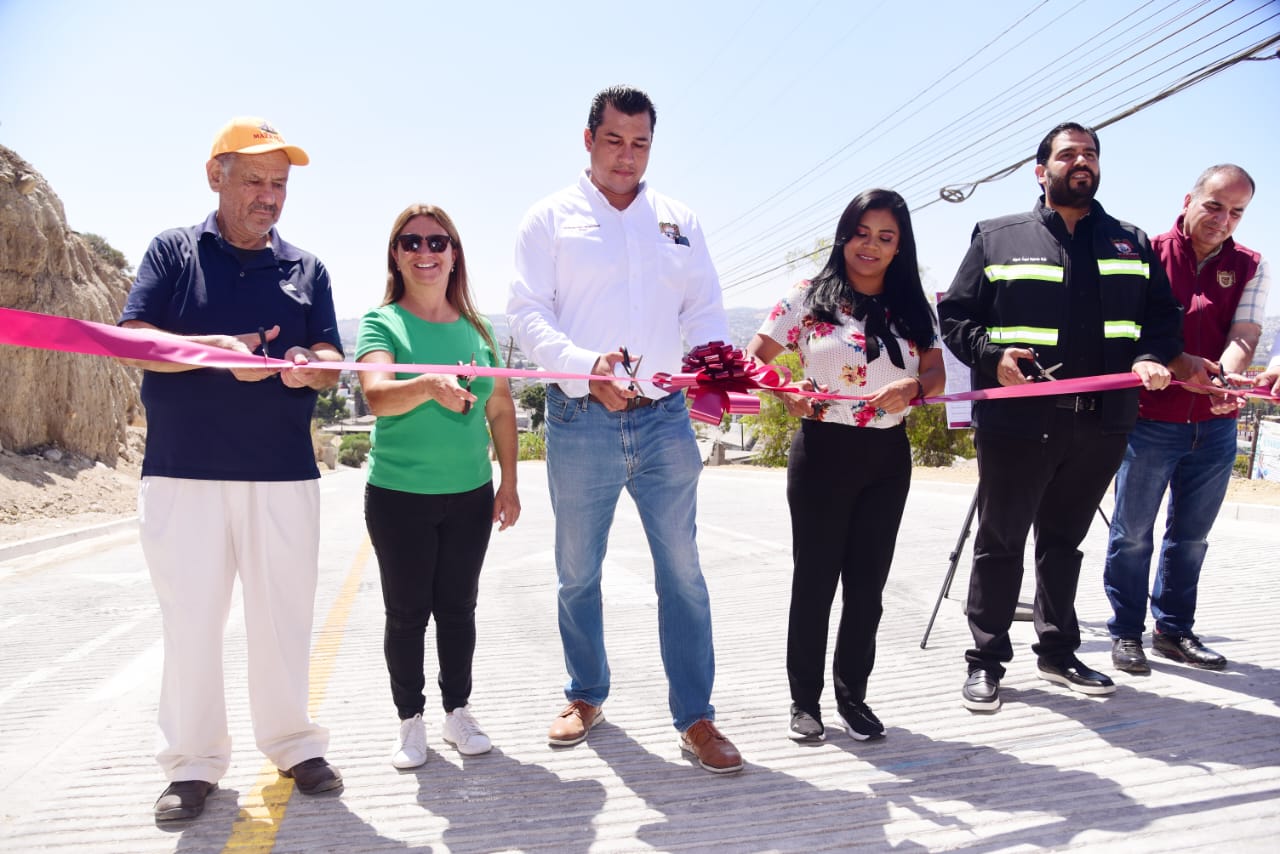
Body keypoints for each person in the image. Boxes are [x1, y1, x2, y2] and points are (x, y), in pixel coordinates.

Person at [507, 85, 742, 773]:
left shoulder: (680, 221)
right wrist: (585, 368)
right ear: (588, 139)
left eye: (640, 143)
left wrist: (710, 366)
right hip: (580, 420)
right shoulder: (547, 220)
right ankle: (585, 695)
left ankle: (696, 717)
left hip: (666, 421)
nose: (627, 156)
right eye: (614, 140)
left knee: (684, 573)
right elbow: (526, 314)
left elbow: (704, 308)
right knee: (577, 571)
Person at [119, 116, 344, 821]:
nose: (269, 197)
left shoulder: (307, 269)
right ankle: (192, 766)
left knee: (284, 619)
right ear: (215, 175)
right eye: (254, 180)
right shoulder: (173, 253)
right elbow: (134, 340)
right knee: (191, 622)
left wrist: (310, 369)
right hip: (183, 473)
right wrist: (217, 348)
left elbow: (333, 360)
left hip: (281, 475)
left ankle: (293, 745)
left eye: (279, 185)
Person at [938, 121, 1183, 713]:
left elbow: (1161, 318)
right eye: (1068, 153)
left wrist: (1151, 356)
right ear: (1040, 168)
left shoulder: (1130, 241)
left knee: (1064, 542)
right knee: (1001, 542)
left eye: (1091, 154)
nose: (1082, 161)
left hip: (1102, 423)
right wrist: (993, 358)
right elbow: (957, 317)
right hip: (1020, 422)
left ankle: (1058, 650)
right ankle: (987, 659)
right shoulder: (997, 237)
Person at [746, 189, 945, 743]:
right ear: (844, 234)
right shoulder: (808, 297)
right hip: (822, 453)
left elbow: (936, 375)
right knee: (814, 582)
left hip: (887, 457)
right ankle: (803, 701)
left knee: (867, 587)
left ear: (899, 245)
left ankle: (853, 696)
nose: (872, 246)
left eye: (886, 237)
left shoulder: (911, 304)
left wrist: (915, 386)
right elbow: (753, 359)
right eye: (863, 233)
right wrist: (786, 392)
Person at [357, 204, 520, 769]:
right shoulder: (382, 324)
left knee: (458, 608)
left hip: (469, 495)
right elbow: (376, 394)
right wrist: (426, 384)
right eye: (411, 243)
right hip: (398, 497)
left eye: (437, 242)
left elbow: (500, 410)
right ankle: (410, 722)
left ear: (454, 254)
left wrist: (509, 482)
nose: (425, 253)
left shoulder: (478, 332)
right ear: (396, 256)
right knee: (406, 613)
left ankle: (458, 714)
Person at [1104, 165, 1269, 674]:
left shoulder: (1252, 264)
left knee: (1191, 536)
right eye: (1215, 205)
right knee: (1132, 533)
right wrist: (1178, 366)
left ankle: (1173, 630)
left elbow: (1245, 331)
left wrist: (1224, 378)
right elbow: (1128, 329)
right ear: (1189, 198)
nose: (1223, 220)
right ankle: (1126, 632)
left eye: (1237, 212)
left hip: (1215, 427)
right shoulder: (1144, 253)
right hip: (1151, 421)